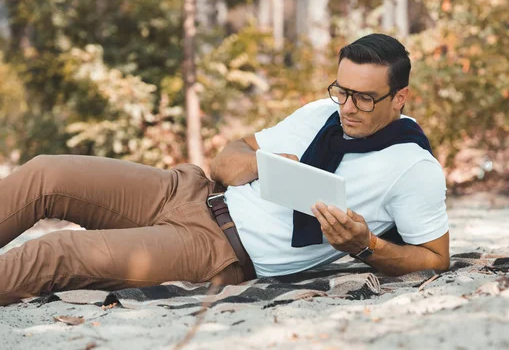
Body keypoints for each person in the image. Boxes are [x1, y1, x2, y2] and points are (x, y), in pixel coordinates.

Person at [0, 33, 449, 306]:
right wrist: (258, 164)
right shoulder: (320, 112)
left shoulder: (413, 167)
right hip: (186, 190)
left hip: (218, 247)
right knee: (46, 174)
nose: (348, 108)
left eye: (364, 98)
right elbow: (227, 156)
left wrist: (365, 245)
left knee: (57, 251)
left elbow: (435, 258)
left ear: (400, 97)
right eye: (342, 91)